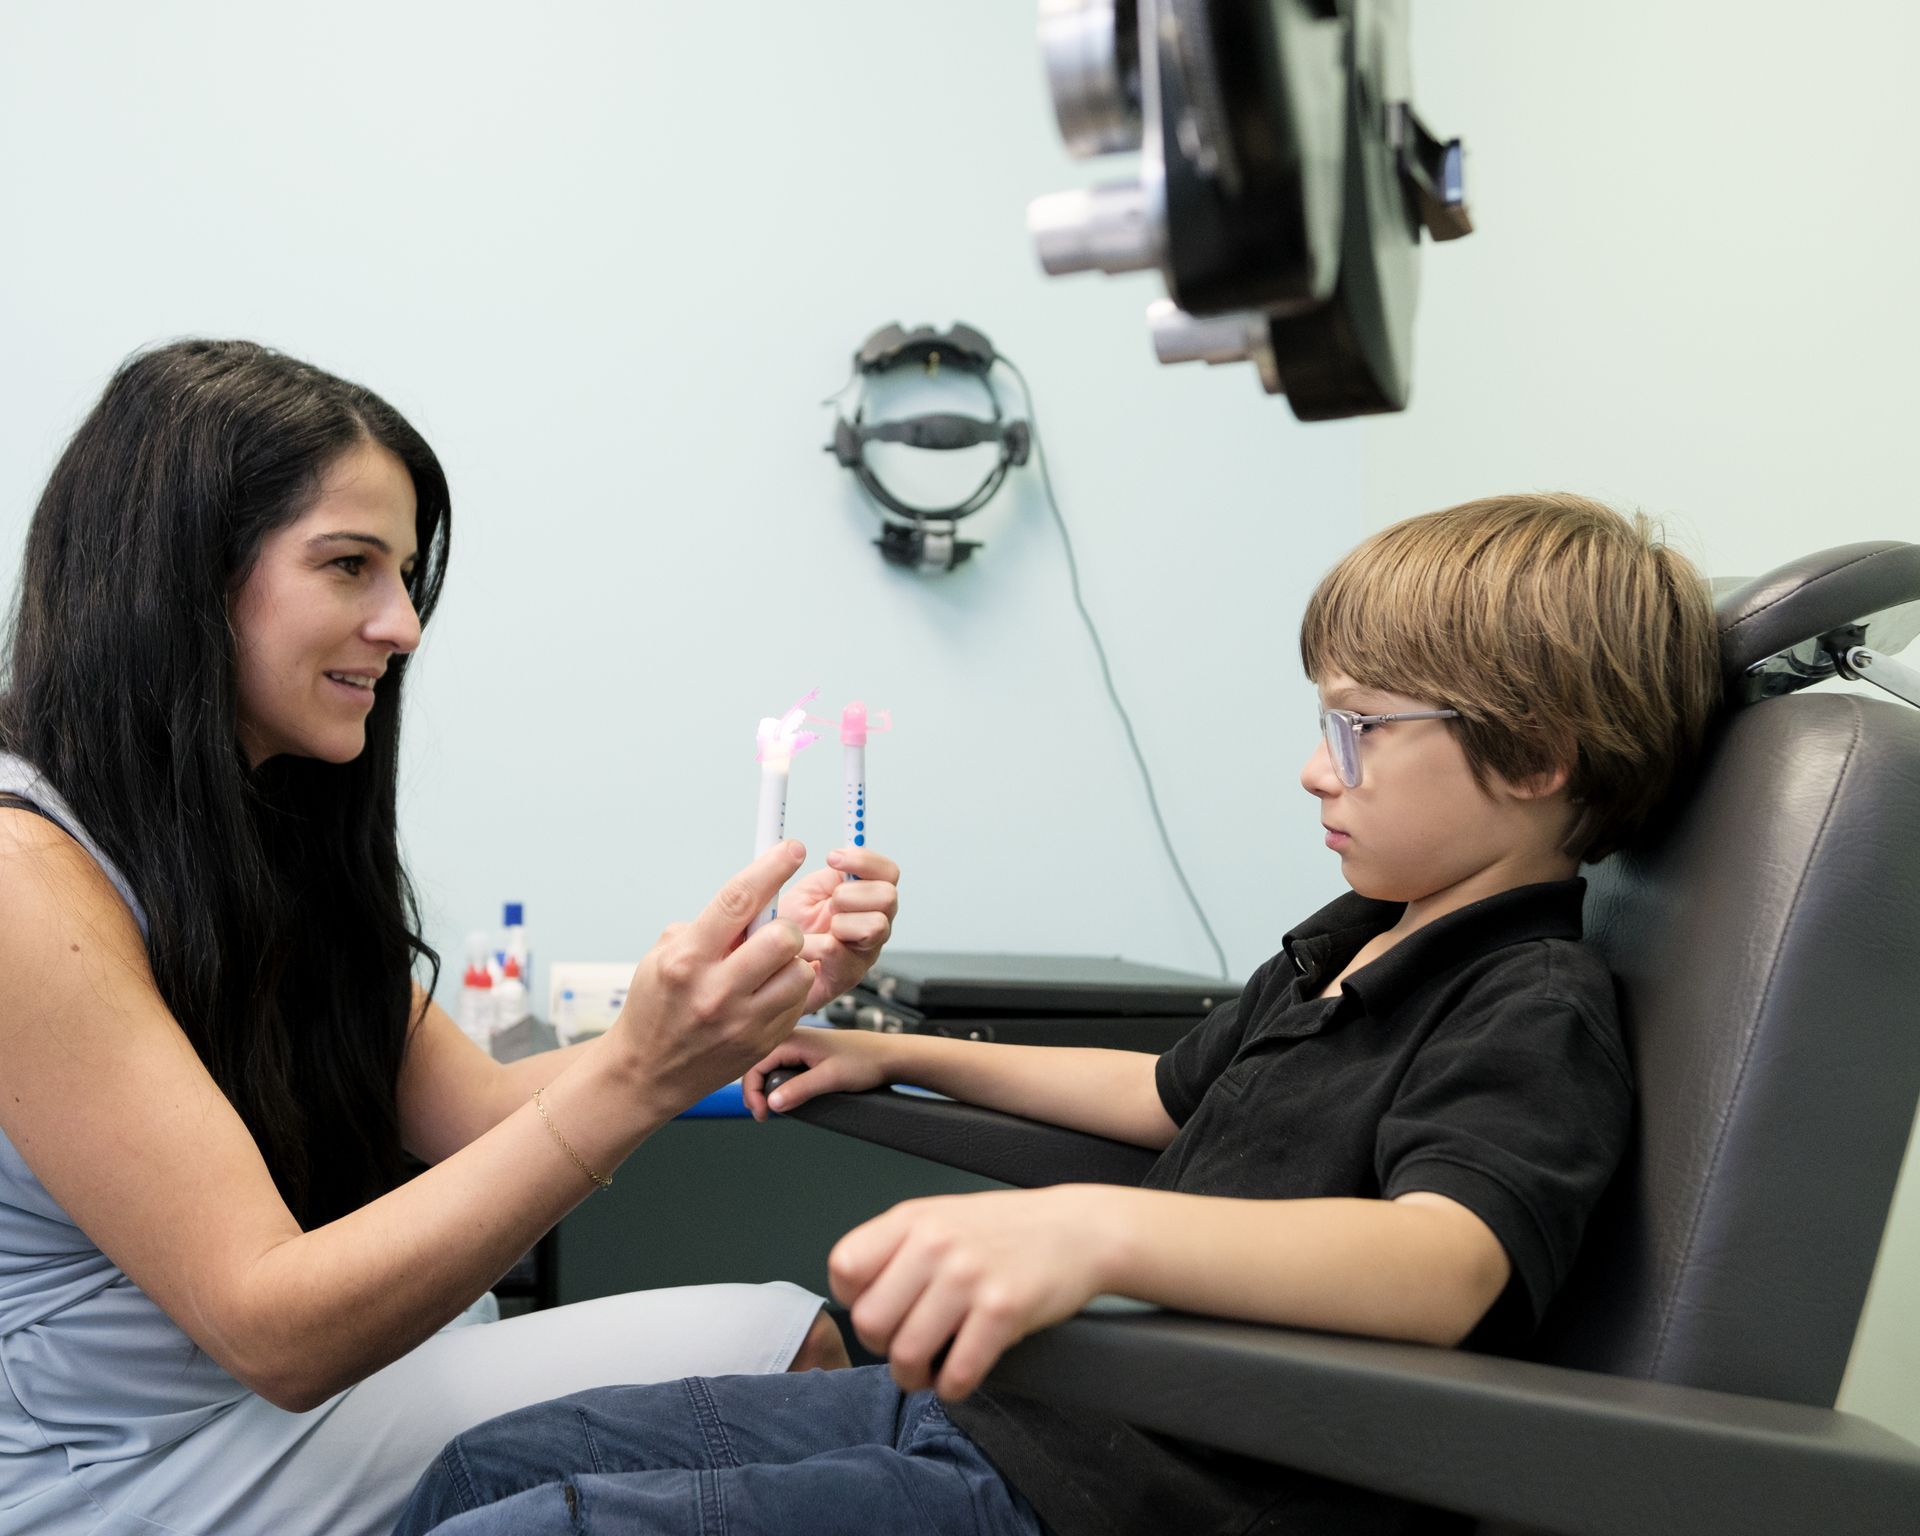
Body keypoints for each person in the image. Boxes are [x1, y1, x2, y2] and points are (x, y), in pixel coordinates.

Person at [390, 492, 1723, 1536]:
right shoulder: (1353, 938)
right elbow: (1160, 1096)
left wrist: (1091, 1232)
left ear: (1536, 755)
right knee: (485, 1465)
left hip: (1136, 1498)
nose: (1315, 772)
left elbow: (1444, 1263)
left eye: (1359, 730)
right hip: (1025, 1416)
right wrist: (886, 1051)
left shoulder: (1530, 1005)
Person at [0, 339, 900, 1536]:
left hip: (278, 1413)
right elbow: (271, 1326)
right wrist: (641, 1071)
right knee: (787, 1352)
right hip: (131, 1473)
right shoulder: (23, 880)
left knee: (789, 1350)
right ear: (180, 576)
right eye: (349, 566)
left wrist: (744, 1002)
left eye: (406, 575)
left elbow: (481, 1113)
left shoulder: (259, 838)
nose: (404, 624)